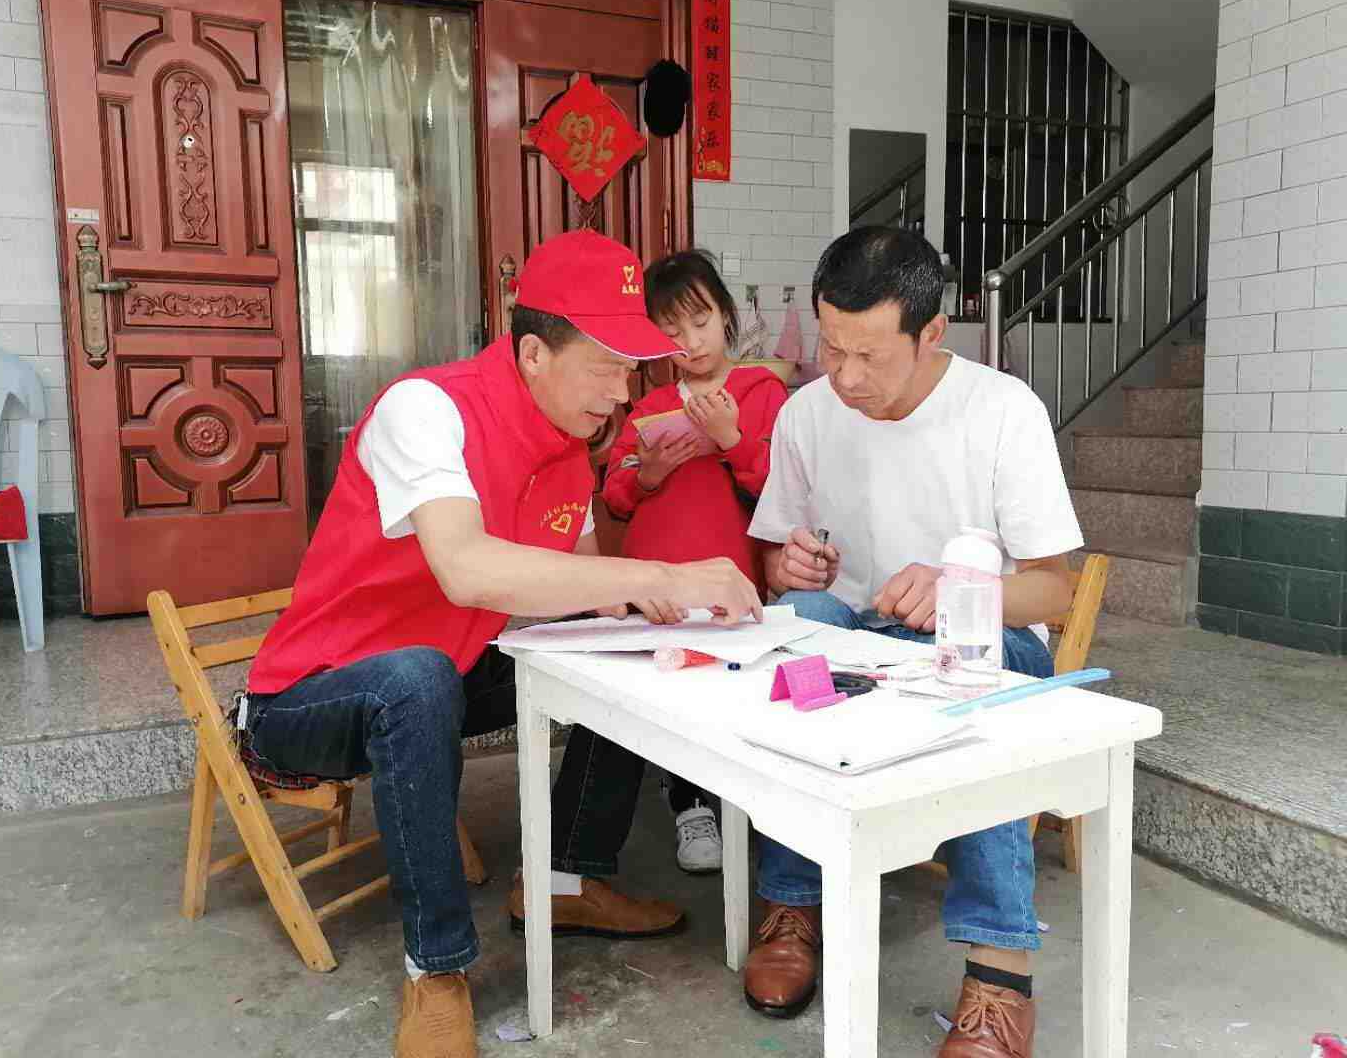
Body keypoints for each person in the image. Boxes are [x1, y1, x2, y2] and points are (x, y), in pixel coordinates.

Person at [242, 229, 762, 1058]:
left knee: (616, 654)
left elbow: (590, 593)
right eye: (606, 368)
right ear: (532, 354)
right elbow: (467, 570)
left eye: (632, 369)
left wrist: (666, 607)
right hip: (309, 698)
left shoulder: (571, 455)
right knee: (415, 680)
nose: (624, 392)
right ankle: (435, 969)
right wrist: (659, 572)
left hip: (441, 678)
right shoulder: (427, 409)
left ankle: (563, 878)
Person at [744, 225, 1083, 1058]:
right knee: (798, 631)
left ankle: (1000, 980)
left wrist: (963, 591)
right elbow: (771, 561)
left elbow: (1055, 589)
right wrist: (788, 563)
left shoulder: (1002, 410)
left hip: (986, 644)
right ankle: (792, 904)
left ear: (932, 332)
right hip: (855, 632)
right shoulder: (805, 413)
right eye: (832, 347)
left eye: (869, 355)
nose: (846, 376)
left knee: (980, 672)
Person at [602, 250, 788, 874]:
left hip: (728, 567)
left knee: (726, 680)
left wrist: (732, 439)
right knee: (668, 680)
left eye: (701, 321)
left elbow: (781, 489)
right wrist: (647, 475)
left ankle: (734, 794)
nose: (691, 341)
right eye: (672, 331)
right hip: (654, 568)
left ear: (725, 313)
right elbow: (615, 496)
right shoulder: (648, 407)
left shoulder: (761, 391)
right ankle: (691, 804)